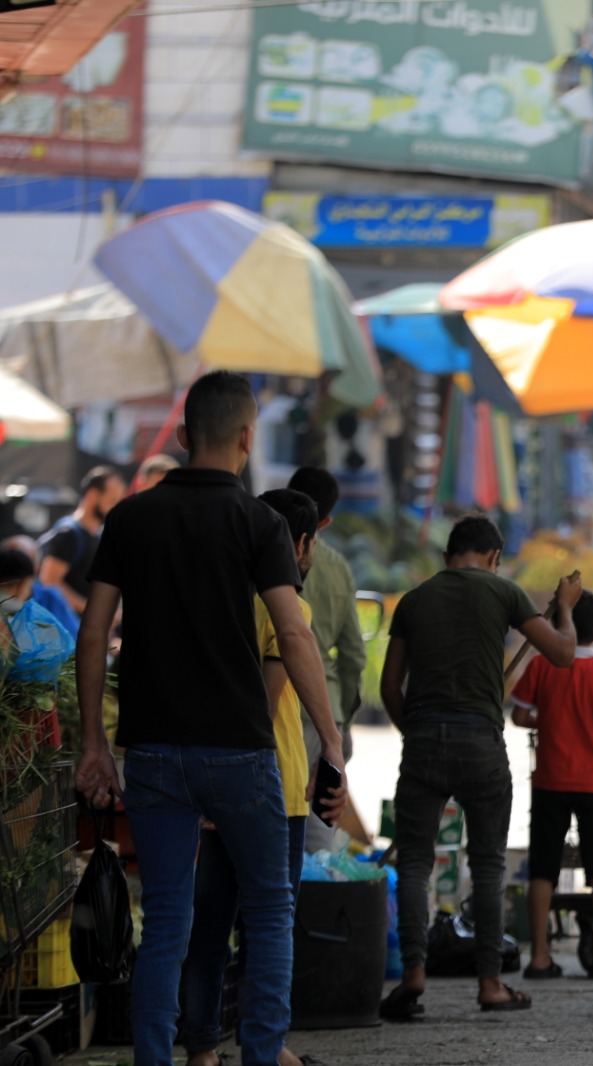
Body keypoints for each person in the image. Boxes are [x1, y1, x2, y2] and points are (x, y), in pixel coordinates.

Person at [72, 370, 346, 1066]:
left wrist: (93, 745)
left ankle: (157, 1059)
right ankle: (261, 1056)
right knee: (269, 910)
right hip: (240, 752)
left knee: (167, 918)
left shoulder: (130, 518)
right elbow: (294, 634)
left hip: (154, 752)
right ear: (248, 439)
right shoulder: (260, 523)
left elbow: (93, 631)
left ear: (187, 436)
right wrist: (332, 740)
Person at [379, 515, 582, 1020]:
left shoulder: (414, 600)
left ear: (450, 554)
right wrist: (567, 611)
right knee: (487, 866)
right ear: (492, 557)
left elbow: (389, 688)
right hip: (480, 742)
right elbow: (562, 653)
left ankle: (414, 974)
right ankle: (490, 984)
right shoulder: (503, 591)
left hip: (424, 738)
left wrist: (419, 733)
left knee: (414, 865)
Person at [181, 488, 322, 1066]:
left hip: (210, 774)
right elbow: (266, 703)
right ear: (302, 544)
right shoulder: (285, 605)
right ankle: (266, 1046)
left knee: (209, 922)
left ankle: (200, 1050)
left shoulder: (220, 596)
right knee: (270, 921)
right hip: (271, 781)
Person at [510, 590, 593, 980]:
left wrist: (549, 724)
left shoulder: (540, 667)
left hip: (551, 780)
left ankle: (538, 956)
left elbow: (519, 715)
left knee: (543, 870)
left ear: (555, 625)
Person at [286, 466, 366, 852]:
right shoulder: (337, 568)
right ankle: (313, 909)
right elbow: (353, 656)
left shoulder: (250, 551)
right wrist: (341, 721)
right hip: (322, 718)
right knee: (316, 841)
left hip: (268, 711)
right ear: (326, 521)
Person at [38, 465, 126, 616]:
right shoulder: (69, 534)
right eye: (112, 500)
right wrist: (92, 611)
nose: (115, 508)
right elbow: (49, 582)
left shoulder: (99, 536)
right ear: (92, 495)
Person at [0, 536, 77, 639]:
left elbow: (75, 638)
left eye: (22, 562)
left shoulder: (51, 599)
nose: (15, 566)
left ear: (36, 567)